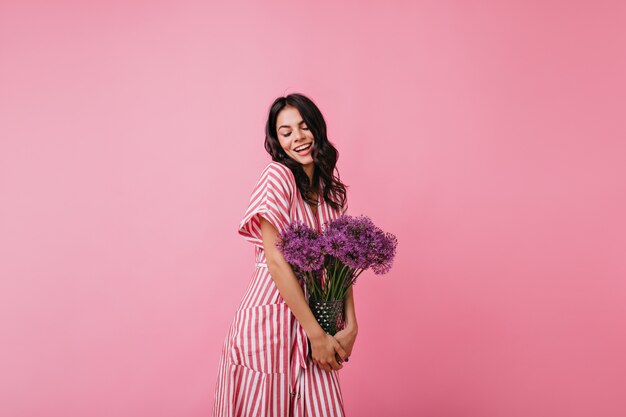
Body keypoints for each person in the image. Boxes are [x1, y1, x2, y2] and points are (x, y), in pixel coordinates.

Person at [212, 93, 358, 417]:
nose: (298, 138)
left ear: (317, 129)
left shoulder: (332, 193)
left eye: (304, 127)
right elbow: (276, 260)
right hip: (272, 321)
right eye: (286, 132)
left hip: (317, 320)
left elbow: (342, 264)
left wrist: (351, 325)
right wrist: (314, 334)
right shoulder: (278, 176)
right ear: (277, 141)